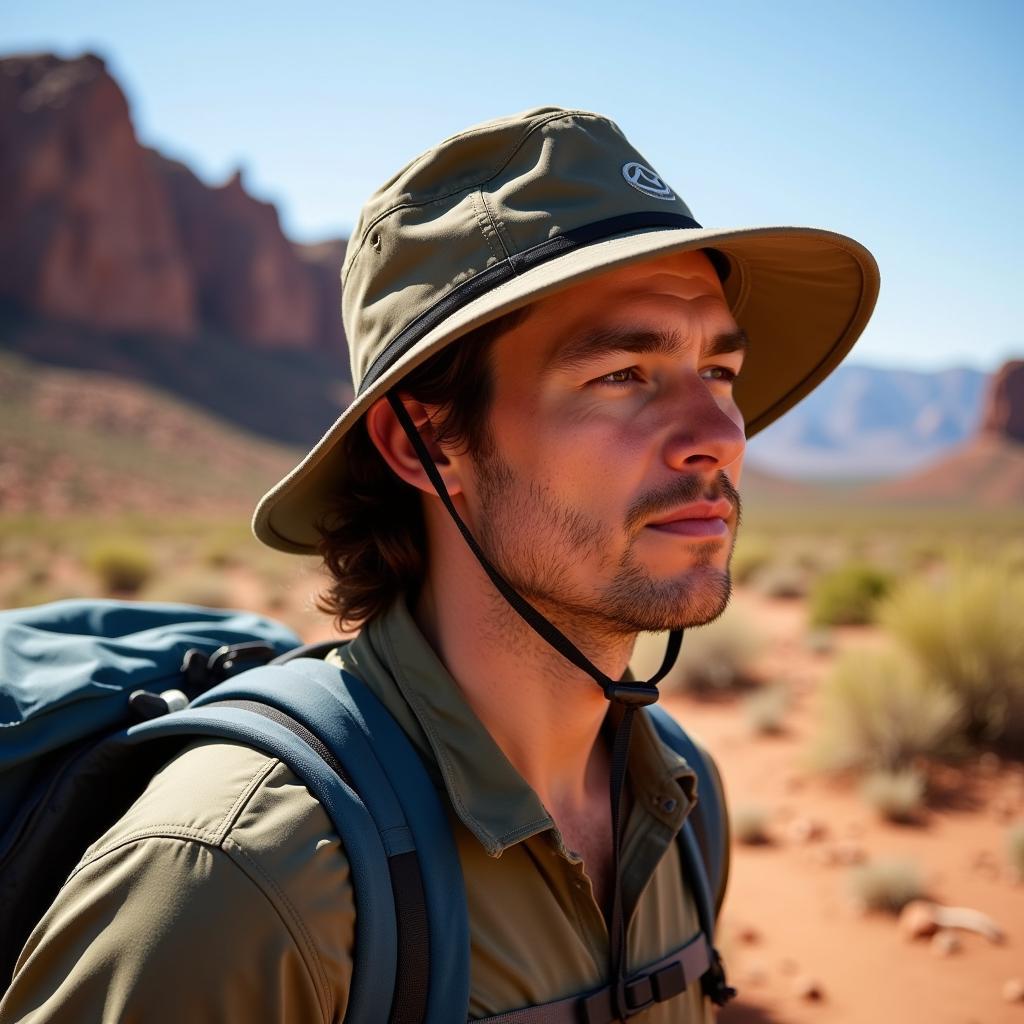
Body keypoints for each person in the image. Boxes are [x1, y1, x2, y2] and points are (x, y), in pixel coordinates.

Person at [0, 105, 879, 1023]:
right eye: (623, 375)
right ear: (424, 444)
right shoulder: (241, 880)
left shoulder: (681, 803)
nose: (718, 438)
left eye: (721, 374)